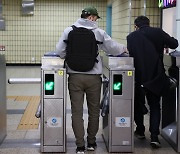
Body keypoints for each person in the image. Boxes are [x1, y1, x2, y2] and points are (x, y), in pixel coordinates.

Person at [56, 6, 126, 153]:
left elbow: (60, 51)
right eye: (95, 18)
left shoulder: (69, 31)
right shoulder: (99, 33)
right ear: (92, 17)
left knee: (76, 111)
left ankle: (80, 145)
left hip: (74, 76)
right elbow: (113, 48)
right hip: (94, 77)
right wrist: (124, 49)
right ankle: (91, 143)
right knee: (94, 111)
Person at [127, 15, 178, 148]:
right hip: (156, 76)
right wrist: (163, 42)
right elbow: (174, 43)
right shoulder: (158, 32)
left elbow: (131, 55)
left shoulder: (131, 37)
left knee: (138, 104)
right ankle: (154, 137)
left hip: (138, 76)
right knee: (155, 106)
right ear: (148, 24)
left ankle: (140, 131)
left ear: (136, 26)